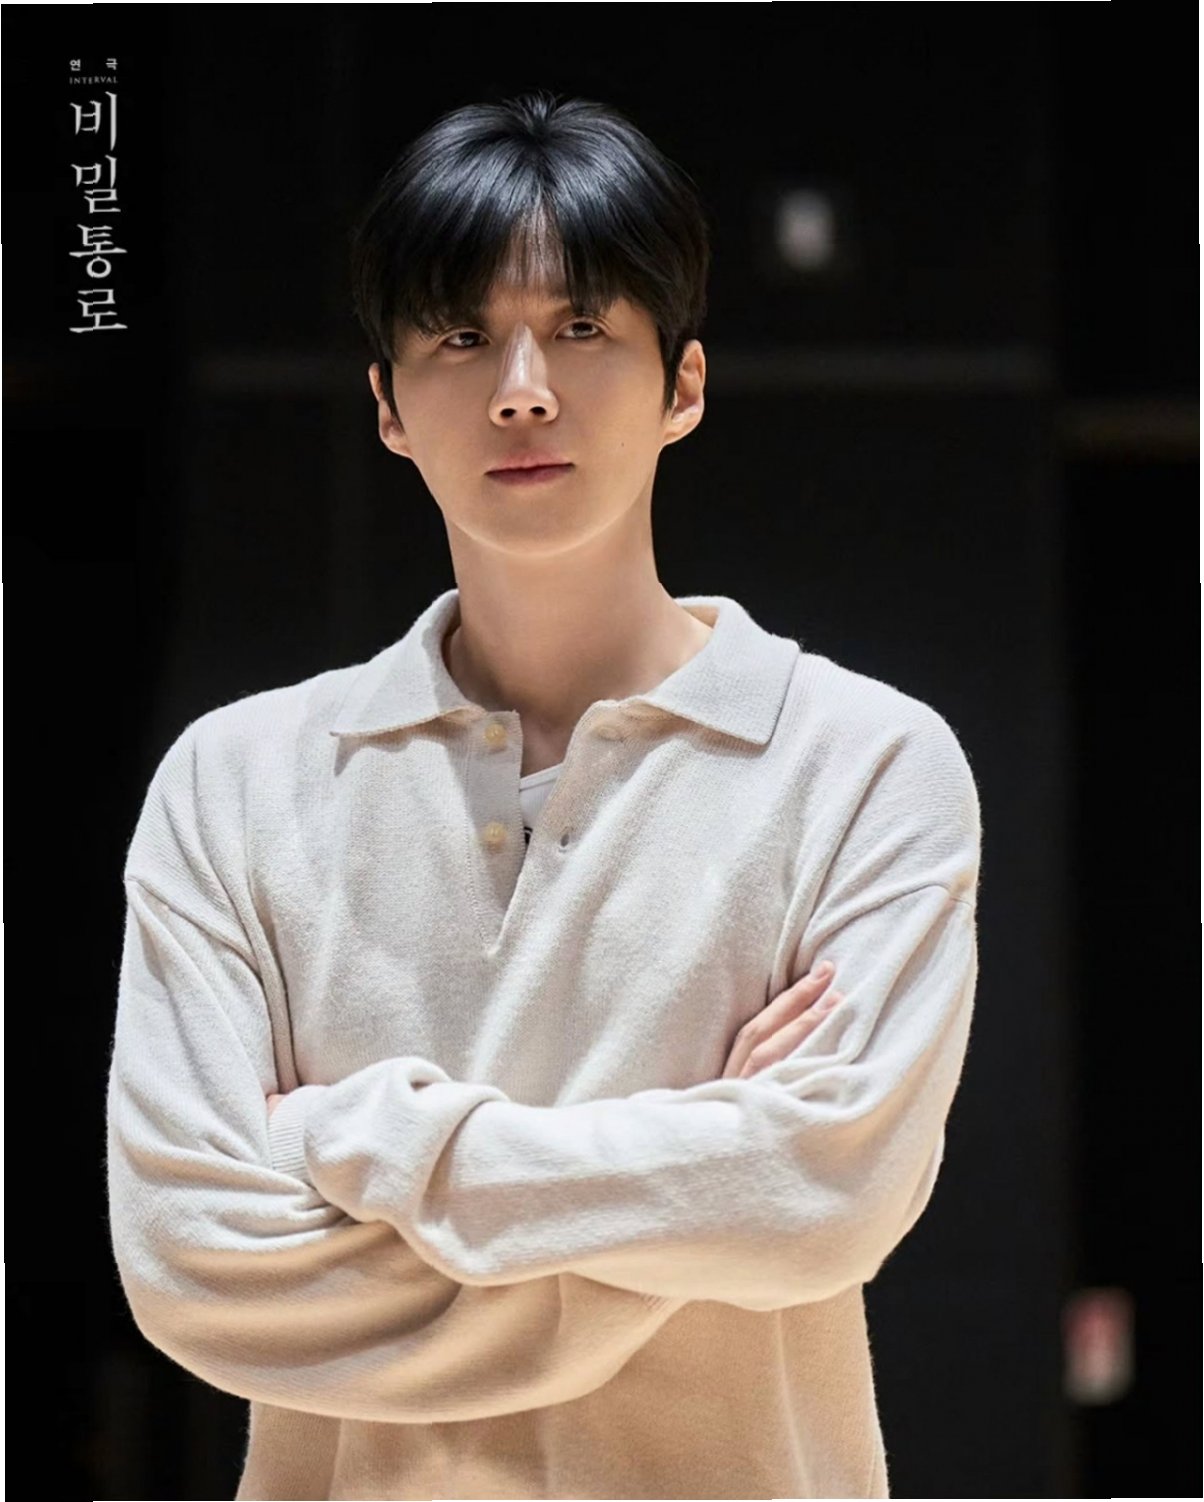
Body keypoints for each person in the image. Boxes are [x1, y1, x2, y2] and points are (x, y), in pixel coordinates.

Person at [105, 90, 982, 1501]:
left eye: (581, 328)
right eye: (462, 337)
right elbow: (191, 1264)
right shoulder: (235, 781)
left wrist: (350, 1139)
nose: (522, 387)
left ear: (683, 383)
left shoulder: (866, 763)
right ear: (388, 405)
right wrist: (700, 1189)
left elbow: (825, 1200)